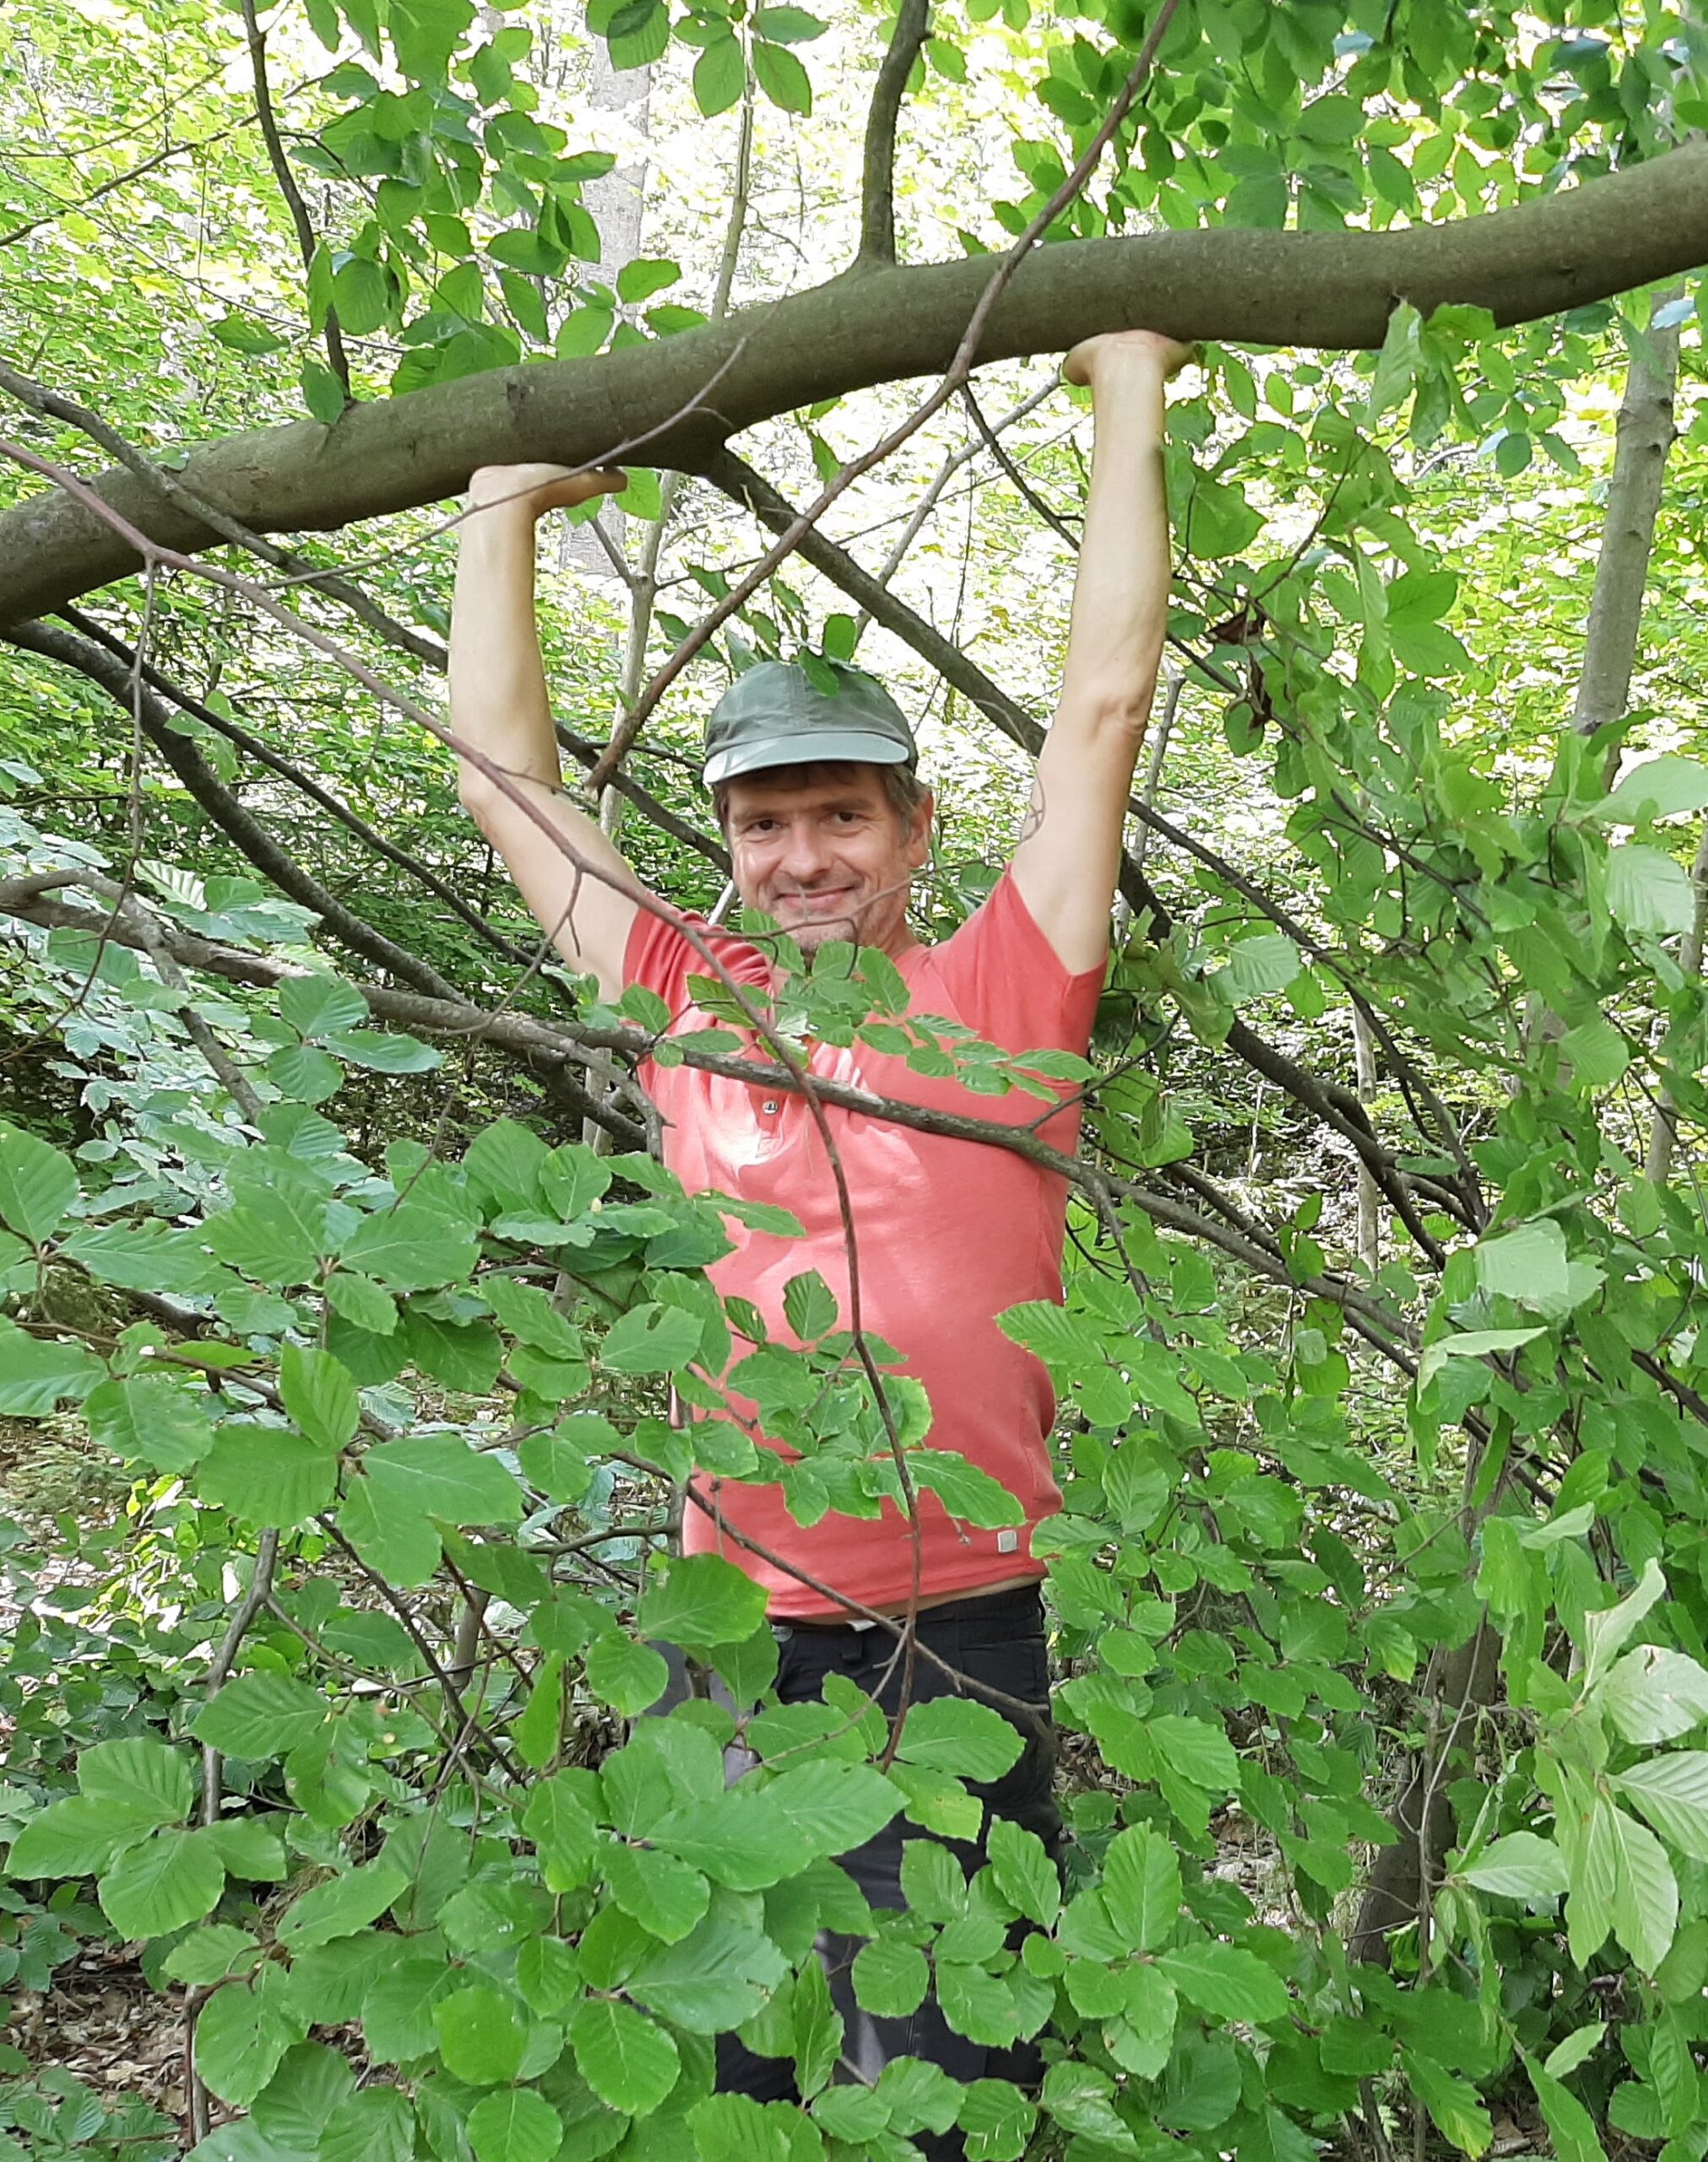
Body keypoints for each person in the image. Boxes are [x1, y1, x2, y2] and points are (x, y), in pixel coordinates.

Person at [448, 329, 1189, 2136]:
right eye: (763, 821)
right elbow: (500, 777)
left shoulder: (1009, 988)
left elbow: (1099, 706)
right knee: (734, 2051)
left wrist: (1122, 385)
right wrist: (493, 518)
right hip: (728, 1617)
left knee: (944, 2076)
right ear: (722, 843)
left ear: (910, 827)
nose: (799, 855)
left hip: (958, 1624)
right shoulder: (683, 993)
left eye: (836, 813)